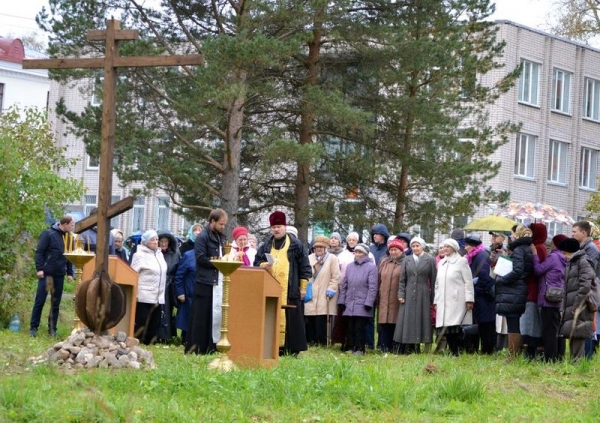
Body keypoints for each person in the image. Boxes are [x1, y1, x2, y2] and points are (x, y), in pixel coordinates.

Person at [255, 211, 312, 355]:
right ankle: (272, 346)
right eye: (274, 227)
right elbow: (256, 262)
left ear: (285, 227)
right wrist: (264, 266)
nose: (276, 229)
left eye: (279, 226)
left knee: (292, 319)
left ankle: (292, 349)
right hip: (270, 290)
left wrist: (303, 288)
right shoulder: (266, 245)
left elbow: (305, 267)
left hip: (290, 289)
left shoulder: (296, 245)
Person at [186, 208, 228, 355]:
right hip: (205, 281)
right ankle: (197, 346)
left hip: (218, 281)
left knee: (214, 315)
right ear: (212, 222)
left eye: (224, 224)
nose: (223, 227)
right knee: (201, 316)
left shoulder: (221, 237)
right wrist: (219, 263)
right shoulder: (202, 237)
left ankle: (212, 345)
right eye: (221, 224)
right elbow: (200, 258)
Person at [30, 215, 75, 337]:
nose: (73, 227)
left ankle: (52, 329)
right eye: (71, 225)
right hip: (46, 274)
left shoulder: (70, 238)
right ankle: (33, 327)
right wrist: (39, 269)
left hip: (59, 275)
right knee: (40, 301)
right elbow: (39, 252)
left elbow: (70, 255)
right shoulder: (48, 234)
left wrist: (70, 272)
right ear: (64, 224)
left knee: (55, 303)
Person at [495, 224, 533, 359]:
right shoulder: (526, 249)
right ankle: (514, 353)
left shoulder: (518, 250)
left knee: (512, 322)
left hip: (514, 289)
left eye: (512, 233)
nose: (510, 236)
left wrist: (501, 280)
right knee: (513, 321)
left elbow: (517, 271)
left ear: (517, 234)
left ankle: (513, 354)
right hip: (519, 288)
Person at [394, 236, 437, 354]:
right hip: (408, 292)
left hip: (423, 293)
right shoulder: (406, 260)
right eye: (413, 246)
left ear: (422, 246)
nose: (415, 248)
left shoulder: (430, 259)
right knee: (408, 319)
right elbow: (402, 279)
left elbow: (433, 280)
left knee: (421, 319)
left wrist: (434, 299)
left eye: (417, 246)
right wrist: (401, 294)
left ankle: (420, 344)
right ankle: (408, 345)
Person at [433, 238, 474, 356]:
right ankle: (452, 350)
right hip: (443, 300)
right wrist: (436, 300)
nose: (445, 249)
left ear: (454, 248)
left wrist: (469, 299)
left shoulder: (461, 261)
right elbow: (437, 283)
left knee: (455, 326)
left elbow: (468, 282)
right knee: (447, 327)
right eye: (443, 246)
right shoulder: (441, 262)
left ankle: (458, 350)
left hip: (457, 299)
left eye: (448, 246)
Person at [558, 237, 596, 361]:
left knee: (578, 333)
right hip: (573, 304)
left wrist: (577, 306)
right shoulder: (573, 262)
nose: (564, 255)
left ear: (570, 251)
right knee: (573, 332)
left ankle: (577, 362)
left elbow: (585, 286)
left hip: (581, 305)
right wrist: (563, 307)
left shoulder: (583, 262)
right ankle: (574, 361)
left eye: (565, 252)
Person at [337, 243, 378, 356]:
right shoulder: (350, 266)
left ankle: (360, 348)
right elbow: (344, 285)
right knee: (350, 327)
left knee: (360, 328)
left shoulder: (371, 267)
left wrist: (369, 302)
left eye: (360, 252)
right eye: (356, 252)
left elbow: (373, 287)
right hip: (350, 302)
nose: (358, 254)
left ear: (365, 254)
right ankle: (350, 346)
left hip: (363, 303)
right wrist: (342, 300)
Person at [531, 234, 568, 362]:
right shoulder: (564, 257)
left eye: (552, 243)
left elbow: (538, 270)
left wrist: (535, 255)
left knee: (549, 331)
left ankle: (550, 358)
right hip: (558, 296)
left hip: (548, 298)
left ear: (556, 244)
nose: (550, 245)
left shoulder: (553, 257)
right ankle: (559, 356)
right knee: (557, 329)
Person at [130, 230, 168, 345]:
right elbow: (132, 274)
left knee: (155, 320)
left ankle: (150, 342)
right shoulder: (139, 255)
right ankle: (138, 341)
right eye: (152, 240)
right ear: (146, 242)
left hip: (158, 294)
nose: (156, 242)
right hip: (144, 295)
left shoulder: (160, 254)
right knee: (142, 320)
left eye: (157, 239)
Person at [304, 235, 340, 346]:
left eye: (321, 247)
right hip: (311, 292)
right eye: (317, 247)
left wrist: (331, 289)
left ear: (326, 248)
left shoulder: (332, 259)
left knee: (322, 317)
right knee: (310, 317)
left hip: (325, 293)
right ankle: (310, 340)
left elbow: (335, 276)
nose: (318, 249)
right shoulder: (309, 258)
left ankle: (322, 341)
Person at [464, 233, 496, 354]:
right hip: (481, 296)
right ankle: (485, 349)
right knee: (483, 324)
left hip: (484, 298)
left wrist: (475, 288)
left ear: (473, 246)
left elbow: (484, 278)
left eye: (467, 245)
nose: (465, 248)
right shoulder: (476, 255)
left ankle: (487, 350)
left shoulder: (481, 256)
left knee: (486, 324)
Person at [520, 223, 548, 359]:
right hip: (531, 289)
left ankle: (531, 350)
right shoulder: (537, 247)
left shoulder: (538, 248)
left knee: (531, 322)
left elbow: (536, 269)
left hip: (533, 289)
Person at [377, 238, 404, 352]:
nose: (393, 252)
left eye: (395, 250)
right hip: (384, 297)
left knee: (396, 321)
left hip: (397, 299)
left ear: (401, 251)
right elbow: (379, 279)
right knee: (384, 322)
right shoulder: (384, 262)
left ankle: (396, 347)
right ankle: (384, 346)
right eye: (391, 250)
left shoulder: (405, 262)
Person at [157, 230, 181, 342]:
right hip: (158, 284)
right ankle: (158, 335)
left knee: (169, 310)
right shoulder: (156, 253)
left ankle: (168, 335)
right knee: (159, 310)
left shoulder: (175, 253)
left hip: (171, 285)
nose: (163, 244)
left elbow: (178, 268)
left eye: (165, 241)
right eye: (161, 241)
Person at [174, 249, 196, 344]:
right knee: (187, 318)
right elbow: (179, 276)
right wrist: (180, 292)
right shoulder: (188, 255)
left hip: (202, 293)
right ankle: (185, 339)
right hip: (189, 293)